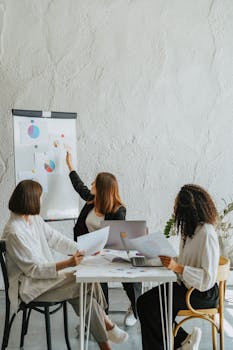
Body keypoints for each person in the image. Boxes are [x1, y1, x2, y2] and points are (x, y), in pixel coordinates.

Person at [2, 180, 128, 350]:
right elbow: (33, 270)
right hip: (29, 287)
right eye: (40, 197)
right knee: (84, 282)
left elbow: (56, 239)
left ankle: (105, 339)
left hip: (45, 280)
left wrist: (84, 249)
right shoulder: (14, 232)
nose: (41, 200)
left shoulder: (33, 219)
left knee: (84, 292)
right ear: (30, 199)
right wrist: (68, 263)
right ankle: (107, 325)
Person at [137, 184, 220, 350]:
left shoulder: (207, 233)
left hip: (202, 294)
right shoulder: (189, 231)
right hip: (188, 287)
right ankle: (183, 341)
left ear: (187, 209)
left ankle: (179, 343)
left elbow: (207, 279)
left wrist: (178, 268)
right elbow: (184, 261)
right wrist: (164, 259)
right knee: (143, 302)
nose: (174, 209)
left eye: (176, 206)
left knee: (152, 306)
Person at [66, 151, 141, 327]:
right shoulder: (92, 200)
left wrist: (104, 250)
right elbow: (79, 186)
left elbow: (118, 240)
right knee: (98, 281)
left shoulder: (118, 211)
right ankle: (102, 315)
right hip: (90, 251)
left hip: (112, 252)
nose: (91, 184)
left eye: (95, 182)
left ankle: (135, 310)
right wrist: (70, 166)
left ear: (103, 189)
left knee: (129, 279)